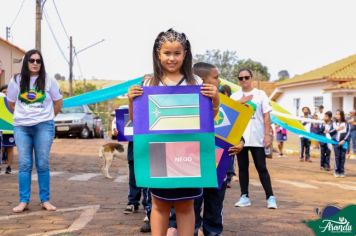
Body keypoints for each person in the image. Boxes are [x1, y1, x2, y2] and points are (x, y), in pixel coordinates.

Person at [128, 29, 219, 236]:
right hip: (158, 151)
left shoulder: (195, 82)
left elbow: (208, 121)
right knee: (159, 205)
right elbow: (137, 121)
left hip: (189, 151)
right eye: (167, 53)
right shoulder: (149, 83)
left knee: (186, 205)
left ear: (185, 54)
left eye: (177, 53)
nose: (172, 58)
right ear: (157, 54)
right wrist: (131, 99)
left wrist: (215, 99)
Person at [7, 49, 63, 213]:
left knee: (42, 163)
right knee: (24, 164)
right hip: (21, 127)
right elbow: (10, 103)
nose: (35, 63)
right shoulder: (16, 80)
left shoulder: (48, 80)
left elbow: (58, 101)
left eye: (38, 61)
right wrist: (22, 115)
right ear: (26, 62)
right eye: (32, 60)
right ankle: (23, 201)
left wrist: (49, 116)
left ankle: (45, 200)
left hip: (43, 126)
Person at [231, 68, 277, 209]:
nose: (244, 80)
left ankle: (270, 197)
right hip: (240, 139)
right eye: (241, 78)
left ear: (251, 78)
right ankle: (244, 196)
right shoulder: (235, 96)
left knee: (261, 167)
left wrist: (267, 135)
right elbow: (230, 112)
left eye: (246, 77)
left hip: (258, 138)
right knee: (242, 169)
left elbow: (266, 116)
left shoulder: (260, 94)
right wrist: (241, 101)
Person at [329, 110, 351, 178]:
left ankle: (341, 171)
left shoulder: (346, 124)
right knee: (337, 157)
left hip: (344, 143)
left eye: (339, 114)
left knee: (342, 157)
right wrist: (337, 129)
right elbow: (330, 132)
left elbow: (348, 133)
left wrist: (344, 140)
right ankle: (336, 171)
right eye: (336, 114)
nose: (337, 116)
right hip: (335, 142)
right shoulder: (333, 123)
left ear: (342, 115)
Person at [0, 85, 15, 174]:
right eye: (4, 91)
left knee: (9, 148)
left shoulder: (13, 101)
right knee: (1, 148)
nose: (5, 93)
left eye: (7, 91)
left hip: (10, 129)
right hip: (0, 128)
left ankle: (8, 166)